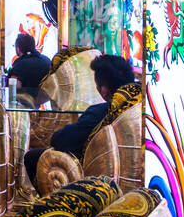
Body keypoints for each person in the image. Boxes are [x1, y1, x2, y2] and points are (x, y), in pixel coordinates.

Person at [22, 55, 134, 185]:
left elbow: (61, 140)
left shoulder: (99, 113)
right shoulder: (138, 109)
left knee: (31, 157)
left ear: (104, 90)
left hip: (98, 180)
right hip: (131, 174)